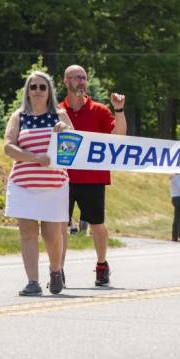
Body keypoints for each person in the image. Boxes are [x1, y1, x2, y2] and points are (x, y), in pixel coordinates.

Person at [3, 71, 73, 296]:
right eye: (33, 87)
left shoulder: (59, 115)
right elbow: (8, 146)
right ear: (27, 90)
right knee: (28, 234)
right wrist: (34, 158)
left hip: (54, 185)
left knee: (52, 235)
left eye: (42, 87)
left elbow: (73, 143)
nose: (37, 91)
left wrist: (63, 133)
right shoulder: (19, 116)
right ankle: (32, 282)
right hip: (23, 184)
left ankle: (55, 270)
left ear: (49, 90)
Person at [60, 65, 127, 287]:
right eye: (76, 78)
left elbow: (118, 137)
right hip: (62, 178)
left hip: (93, 177)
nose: (81, 81)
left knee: (97, 224)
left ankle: (101, 265)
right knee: (60, 225)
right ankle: (57, 270)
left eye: (84, 78)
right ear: (65, 82)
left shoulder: (99, 110)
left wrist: (119, 110)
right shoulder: (57, 110)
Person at [170, 174, 180, 242]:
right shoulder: (177, 177)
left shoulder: (174, 176)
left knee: (179, 217)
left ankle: (178, 235)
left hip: (174, 197)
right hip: (178, 198)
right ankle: (175, 236)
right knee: (178, 217)